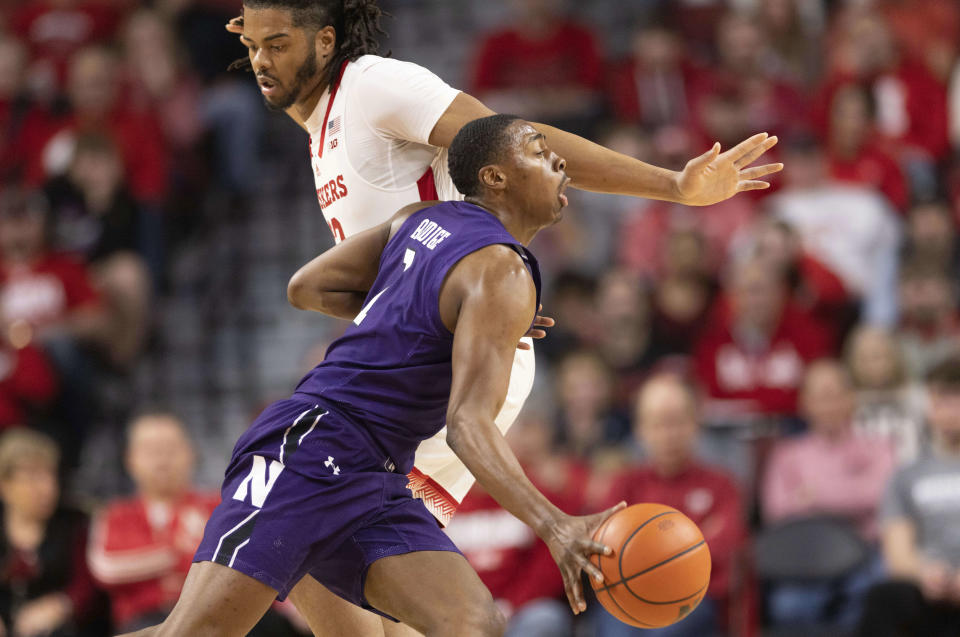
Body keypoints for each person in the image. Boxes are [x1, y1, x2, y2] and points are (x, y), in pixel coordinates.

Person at [226, 2, 781, 634]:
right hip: (426, 355)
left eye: (278, 43)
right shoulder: (323, 128)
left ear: (323, 40)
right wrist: (428, 304)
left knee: (315, 523)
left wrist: (673, 186)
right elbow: (314, 285)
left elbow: (516, 142)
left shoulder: (375, 87)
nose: (262, 61)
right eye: (253, 46)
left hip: (437, 373)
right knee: (373, 586)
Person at [119, 115, 635, 637]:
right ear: (496, 176)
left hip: (374, 475)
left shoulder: (421, 219)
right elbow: (468, 426)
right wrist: (555, 525)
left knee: (471, 624)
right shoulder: (500, 271)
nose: (560, 161)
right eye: (540, 150)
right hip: (311, 449)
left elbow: (307, 286)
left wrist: (438, 317)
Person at [597, 374, 747, 637]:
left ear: (695, 424)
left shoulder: (722, 485)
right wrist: (687, 544)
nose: (669, 434)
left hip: (697, 599)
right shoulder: (623, 485)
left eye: (677, 422)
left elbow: (722, 546)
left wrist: (642, 552)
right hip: (627, 596)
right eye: (658, 424)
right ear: (640, 430)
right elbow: (604, 550)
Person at [762, 360, 894, 630]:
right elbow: (776, 510)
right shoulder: (787, 453)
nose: (830, 404)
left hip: (865, 555)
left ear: (852, 398)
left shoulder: (879, 446)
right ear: (804, 403)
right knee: (787, 607)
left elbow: (880, 494)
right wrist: (850, 492)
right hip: (804, 560)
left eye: (836, 395)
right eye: (821, 397)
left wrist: (815, 494)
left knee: (877, 596)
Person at [86, 413, 221, 633]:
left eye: (171, 448)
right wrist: (179, 553)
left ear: (191, 453)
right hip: (145, 620)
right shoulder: (115, 514)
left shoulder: (219, 506)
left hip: (215, 616)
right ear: (130, 459)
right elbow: (106, 568)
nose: (162, 458)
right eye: (151, 450)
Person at [856, 357, 960, 637]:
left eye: (956, 398)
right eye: (940, 399)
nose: (949, 409)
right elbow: (898, 553)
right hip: (927, 587)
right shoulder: (906, 475)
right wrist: (926, 573)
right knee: (884, 598)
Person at [0, 428, 108, 637]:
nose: (46, 487)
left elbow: (88, 585)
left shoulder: (74, 522)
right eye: (32, 477)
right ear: (5, 484)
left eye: (50, 475)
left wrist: (62, 604)